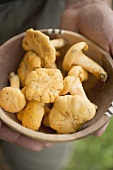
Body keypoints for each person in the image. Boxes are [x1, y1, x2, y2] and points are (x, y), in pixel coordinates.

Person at [0, 0, 112, 169]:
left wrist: (85, 4)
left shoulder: (51, 81)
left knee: (37, 163)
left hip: (40, 10)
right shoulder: (38, 83)